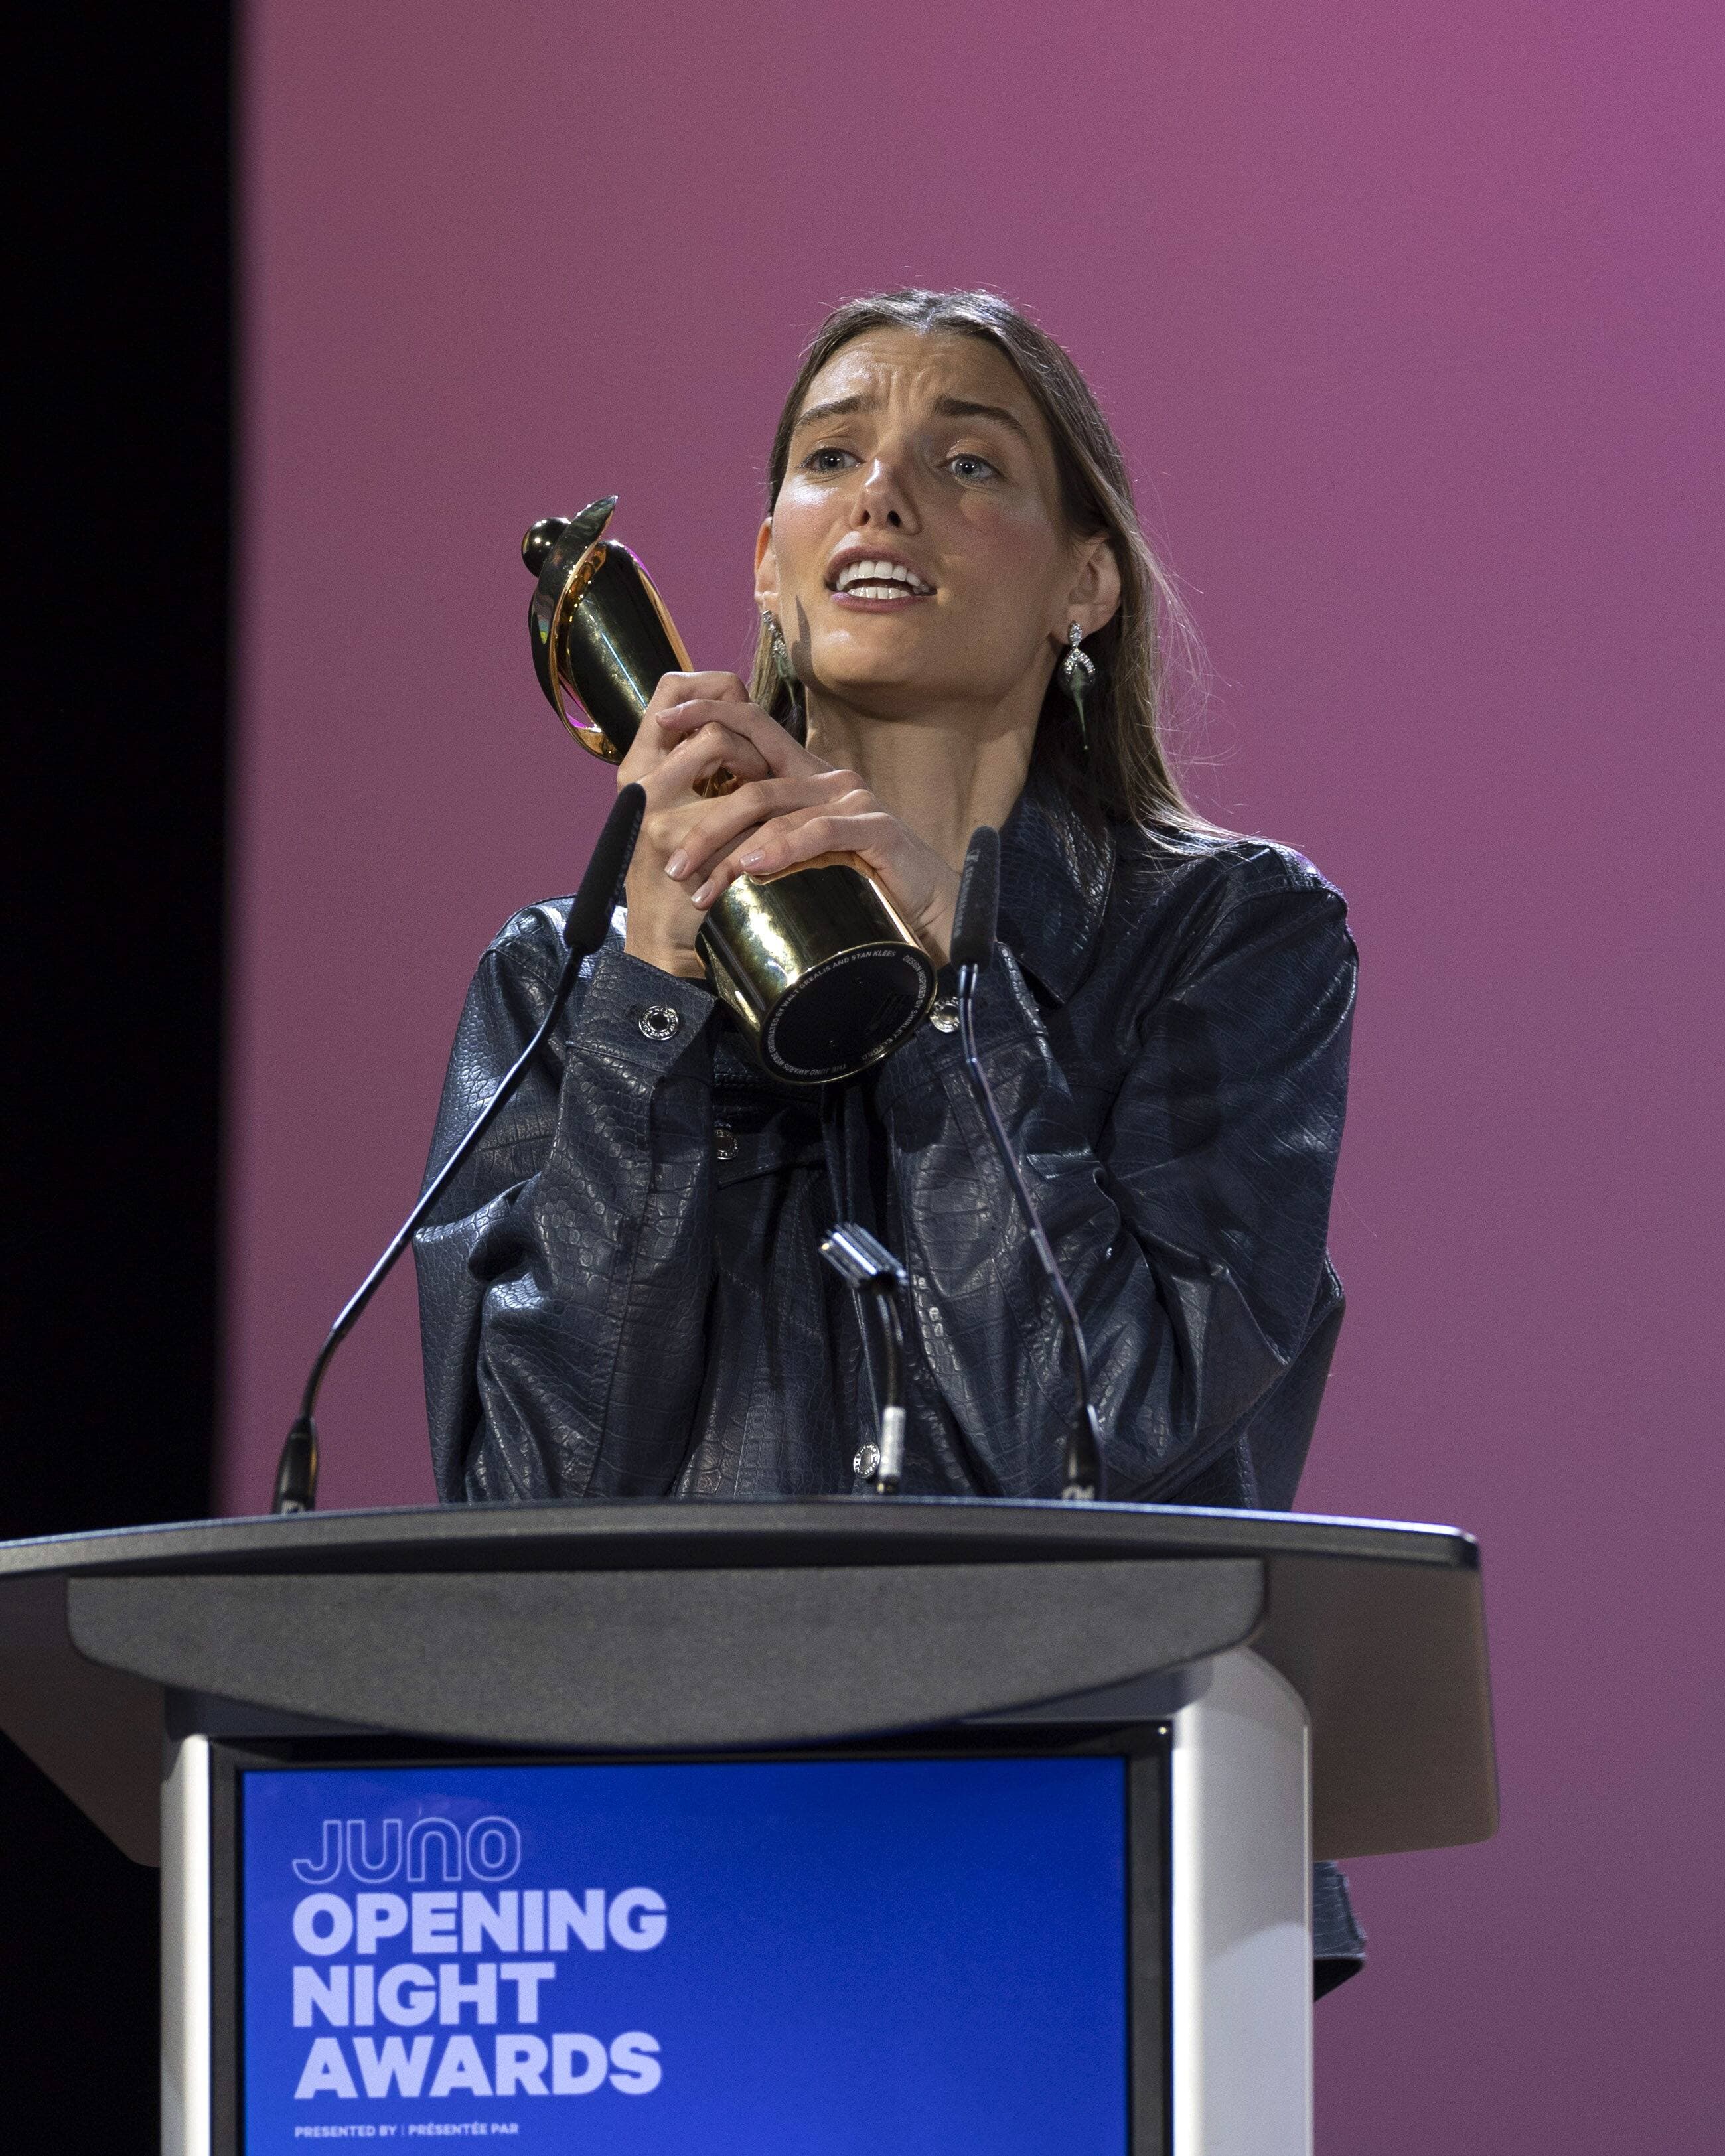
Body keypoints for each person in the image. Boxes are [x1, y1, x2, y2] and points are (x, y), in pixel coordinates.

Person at [413, 288, 1364, 1989]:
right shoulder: (561, 978)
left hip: (1086, 1856)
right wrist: (645, 1001)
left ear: (1087, 583)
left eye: (968, 460)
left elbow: (1095, 1434)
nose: (882, 495)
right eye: (831, 457)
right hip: (652, 1870)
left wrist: (951, 1009)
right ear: (767, 567)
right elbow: (533, 1514)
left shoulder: (1228, 936)